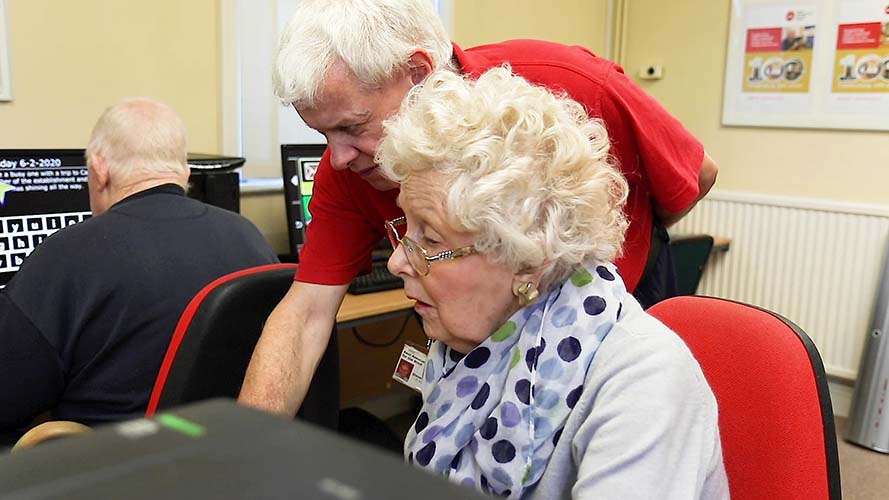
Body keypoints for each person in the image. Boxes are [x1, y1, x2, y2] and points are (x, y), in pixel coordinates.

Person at [239, 0, 718, 415]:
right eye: (324, 135)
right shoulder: (349, 169)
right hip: (481, 336)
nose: (337, 156)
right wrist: (233, 450)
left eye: (353, 126)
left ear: (419, 74)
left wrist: (611, 239)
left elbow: (696, 176)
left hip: (609, 316)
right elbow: (305, 315)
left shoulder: (567, 85)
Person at [376, 67, 728, 499]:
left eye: (429, 238)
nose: (397, 262)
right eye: (404, 229)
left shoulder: (644, 383)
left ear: (527, 261)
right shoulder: (472, 348)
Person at [0, 98, 279, 441]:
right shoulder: (247, 233)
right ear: (185, 171)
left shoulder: (63, 256)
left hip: (116, 470)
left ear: (99, 170)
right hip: (232, 454)